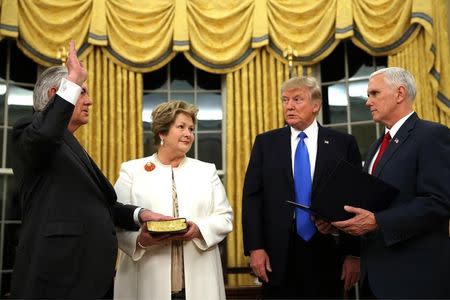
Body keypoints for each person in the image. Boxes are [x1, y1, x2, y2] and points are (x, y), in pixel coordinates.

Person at [10, 41, 160, 299]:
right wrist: (73, 80)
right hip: (55, 278)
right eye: (82, 92)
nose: (89, 101)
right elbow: (45, 134)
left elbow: (102, 205)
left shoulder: (71, 145)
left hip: (89, 278)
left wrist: (140, 215)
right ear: (56, 94)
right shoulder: (29, 129)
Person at [332, 67, 450, 299]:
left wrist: (378, 221)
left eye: (374, 93)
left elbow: (440, 202)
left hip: (416, 278)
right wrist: (334, 219)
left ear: (399, 94)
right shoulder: (377, 145)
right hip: (374, 278)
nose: (367, 102)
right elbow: (372, 202)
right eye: (368, 95)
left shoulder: (432, 135)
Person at [242, 76, 362, 299]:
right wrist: (255, 248)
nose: (289, 106)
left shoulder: (343, 143)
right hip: (277, 253)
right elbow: (252, 198)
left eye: (297, 99)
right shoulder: (265, 143)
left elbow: (354, 199)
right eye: (285, 100)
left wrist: (353, 254)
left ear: (316, 105)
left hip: (328, 248)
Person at [113, 100, 233, 300]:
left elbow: (225, 218)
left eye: (191, 129)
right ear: (162, 132)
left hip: (200, 279)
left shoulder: (206, 171)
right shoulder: (132, 171)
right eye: (181, 127)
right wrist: (139, 240)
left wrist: (198, 229)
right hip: (146, 278)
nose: (188, 134)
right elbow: (116, 220)